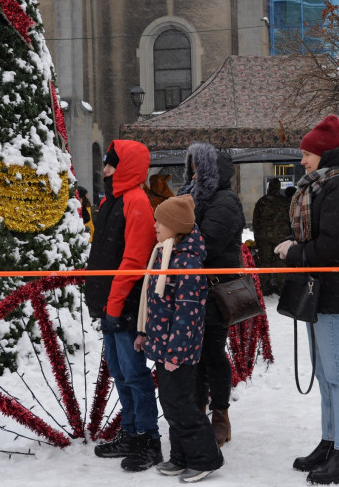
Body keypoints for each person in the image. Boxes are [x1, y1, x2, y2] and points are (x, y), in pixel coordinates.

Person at [274, 115, 339, 485]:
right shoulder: (323, 185)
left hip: (335, 290)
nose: (302, 161)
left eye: (306, 154)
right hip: (323, 290)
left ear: (323, 154)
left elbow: (331, 246)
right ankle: (330, 442)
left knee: (338, 373)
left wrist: (295, 250)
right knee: (327, 373)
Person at [135, 194, 225, 483]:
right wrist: (145, 333)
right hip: (163, 347)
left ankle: (205, 457)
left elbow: (187, 314)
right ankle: (181, 456)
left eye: (160, 221)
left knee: (182, 404)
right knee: (170, 404)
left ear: (176, 226)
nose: (155, 226)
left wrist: (175, 353)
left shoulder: (187, 264)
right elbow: (156, 304)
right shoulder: (164, 255)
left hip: (179, 352)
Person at [84, 140, 161, 471]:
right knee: (119, 372)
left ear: (126, 167)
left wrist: (114, 304)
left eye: (110, 165)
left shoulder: (136, 202)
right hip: (111, 305)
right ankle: (130, 432)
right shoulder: (111, 201)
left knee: (135, 374)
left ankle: (148, 438)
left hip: (127, 307)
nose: (104, 171)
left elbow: (133, 261)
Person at [176, 143, 244, 447]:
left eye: (197, 166)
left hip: (215, 290)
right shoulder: (188, 195)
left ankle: (220, 414)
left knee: (212, 354)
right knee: (195, 355)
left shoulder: (225, 200)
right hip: (191, 289)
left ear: (209, 170)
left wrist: (177, 235)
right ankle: (198, 410)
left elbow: (207, 242)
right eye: (189, 166)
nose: (192, 172)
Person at [252, 177, 291, 295]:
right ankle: (281, 287)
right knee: (281, 263)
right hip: (282, 237)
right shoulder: (285, 201)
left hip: (264, 237)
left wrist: (257, 237)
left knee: (265, 262)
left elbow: (256, 221)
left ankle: (265, 287)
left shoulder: (262, 201)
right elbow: (291, 220)